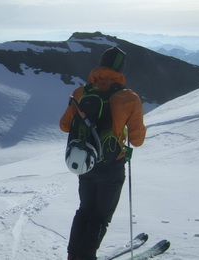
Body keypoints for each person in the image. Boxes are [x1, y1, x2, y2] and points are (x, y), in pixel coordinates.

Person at [59, 46, 146, 260]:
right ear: (121, 70)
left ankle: (73, 256)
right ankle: (87, 256)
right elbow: (137, 140)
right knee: (101, 216)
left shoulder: (81, 92)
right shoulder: (128, 97)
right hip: (112, 166)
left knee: (85, 210)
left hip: (85, 162)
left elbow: (64, 125)